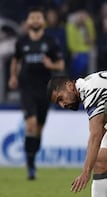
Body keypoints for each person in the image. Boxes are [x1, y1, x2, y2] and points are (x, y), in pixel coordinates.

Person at [7, 7, 65, 180]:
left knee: (38, 129)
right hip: (27, 89)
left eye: (38, 17)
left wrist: (51, 65)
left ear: (43, 22)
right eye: (32, 17)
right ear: (28, 22)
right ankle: (30, 166)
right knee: (30, 125)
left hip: (44, 90)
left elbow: (60, 65)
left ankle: (32, 159)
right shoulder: (21, 42)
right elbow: (16, 60)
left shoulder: (51, 42)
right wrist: (13, 76)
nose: (35, 20)